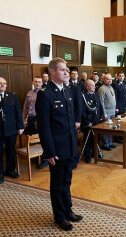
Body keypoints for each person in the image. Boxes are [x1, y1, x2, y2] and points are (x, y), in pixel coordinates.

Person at [35, 57, 83, 231]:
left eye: (67, 70)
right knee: (57, 183)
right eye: (63, 70)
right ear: (52, 72)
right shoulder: (45, 94)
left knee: (67, 181)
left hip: (70, 145)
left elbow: (70, 121)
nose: (67, 73)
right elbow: (44, 126)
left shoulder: (68, 91)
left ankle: (68, 210)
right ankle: (59, 216)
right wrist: (49, 152)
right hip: (56, 148)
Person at [22, 76, 49, 169]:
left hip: (41, 119)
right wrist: (23, 119)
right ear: (33, 83)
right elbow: (25, 106)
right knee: (33, 137)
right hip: (31, 118)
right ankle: (36, 156)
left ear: (42, 83)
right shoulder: (29, 93)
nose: (37, 83)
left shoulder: (45, 93)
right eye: (36, 82)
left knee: (43, 139)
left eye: (39, 82)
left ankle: (45, 159)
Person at [81, 79, 106, 163]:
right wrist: (87, 122)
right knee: (88, 138)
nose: (94, 87)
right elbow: (82, 110)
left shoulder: (95, 93)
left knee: (96, 137)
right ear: (87, 86)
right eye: (92, 85)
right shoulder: (83, 95)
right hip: (88, 121)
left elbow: (99, 105)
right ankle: (87, 155)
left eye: (94, 85)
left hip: (96, 120)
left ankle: (95, 153)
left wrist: (102, 115)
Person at [98, 74, 117, 151]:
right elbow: (101, 102)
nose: (110, 81)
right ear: (104, 80)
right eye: (108, 79)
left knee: (111, 128)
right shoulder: (102, 89)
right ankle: (105, 144)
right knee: (106, 129)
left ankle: (110, 143)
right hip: (107, 112)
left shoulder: (111, 87)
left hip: (112, 111)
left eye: (110, 79)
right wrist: (104, 113)